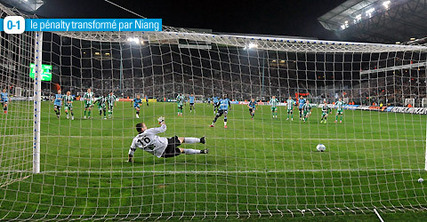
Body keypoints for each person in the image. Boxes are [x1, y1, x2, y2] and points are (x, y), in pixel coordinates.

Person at [128, 117, 208, 162]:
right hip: (166, 144)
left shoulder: (135, 140)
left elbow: (131, 151)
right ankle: (200, 140)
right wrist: (161, 122)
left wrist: (130, 159)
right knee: (182, 139)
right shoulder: (148, 131)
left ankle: (201, 152)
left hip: (162, 154)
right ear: (142, 129)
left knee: (182, 150)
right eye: (145, 126)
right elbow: (163, 129)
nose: (146, 127)